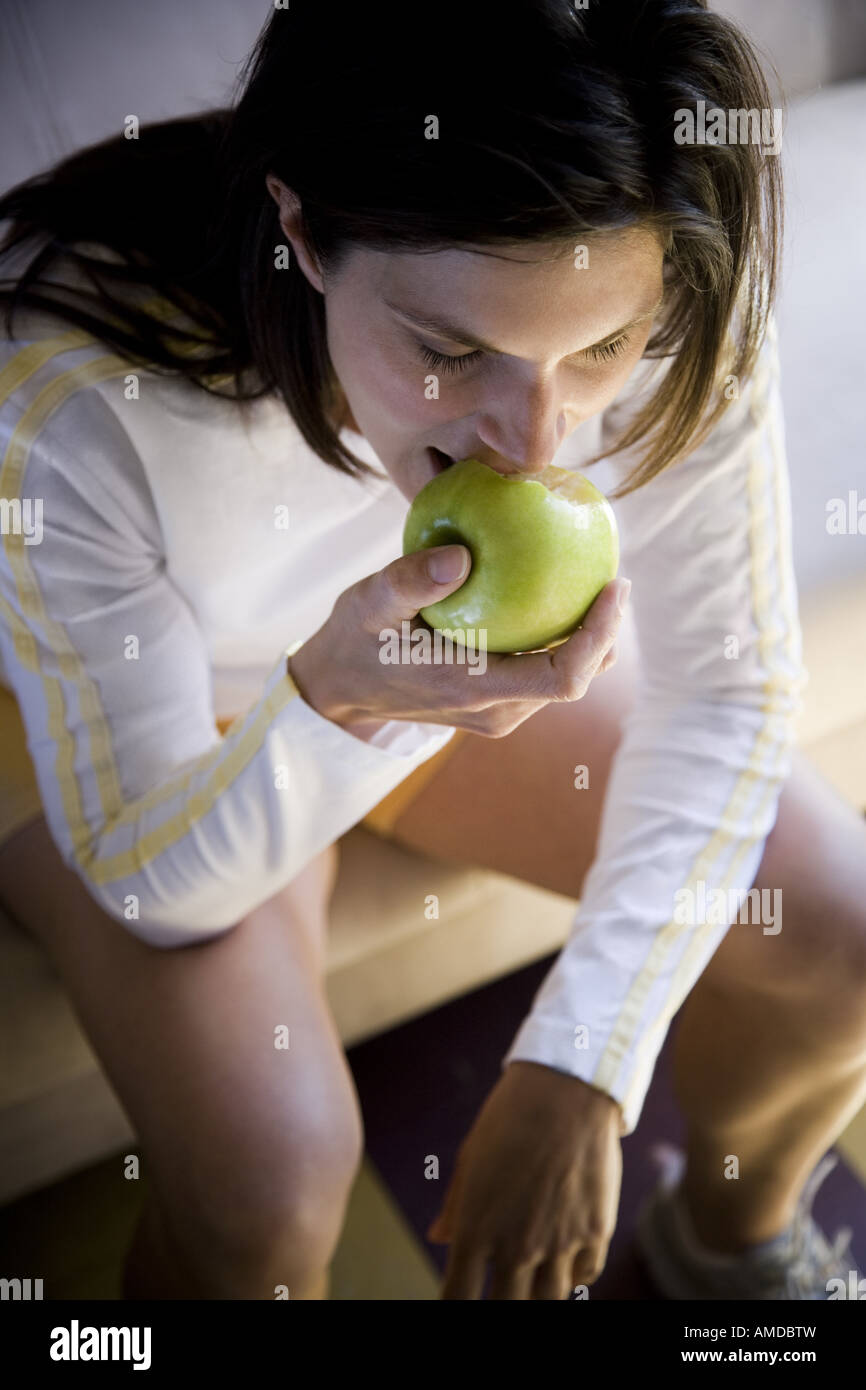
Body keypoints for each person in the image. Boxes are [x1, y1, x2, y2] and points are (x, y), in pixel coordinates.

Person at [0, 0, 863, 1302]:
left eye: (599, 355)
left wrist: (583, 1062)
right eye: (452, 350)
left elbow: (729, 692)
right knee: (266, 1184)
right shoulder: (69, 378)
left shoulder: (673, 276)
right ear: (301, 231)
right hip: (149, 724)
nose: (536, 441)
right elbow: (153, 878)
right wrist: (342, 698)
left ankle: (727, 1243)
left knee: (841, 927)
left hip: (401, 684)